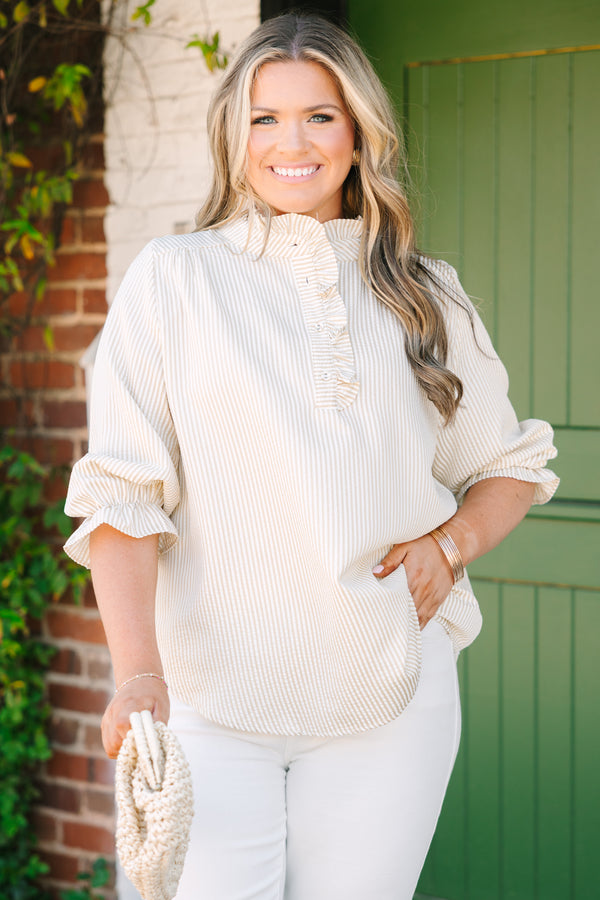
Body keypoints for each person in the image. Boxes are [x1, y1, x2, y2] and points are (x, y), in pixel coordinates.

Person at [64, 12, 558, 900]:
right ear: (234, 135)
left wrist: (450, 548)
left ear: (360, 131)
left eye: (320, 115)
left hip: (389, 697)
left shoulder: (426, 293)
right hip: (207, 702)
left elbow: (508, 465)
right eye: (265, 118)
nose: (292, 142)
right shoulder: (174, 280)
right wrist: (137, 675)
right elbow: (121, 498)